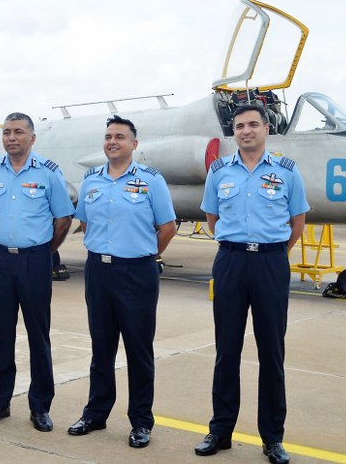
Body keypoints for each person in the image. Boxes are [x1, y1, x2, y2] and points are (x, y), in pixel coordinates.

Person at [195, 104, 308, 464]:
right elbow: (212, 218)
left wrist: (270, 251)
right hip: (230, 261)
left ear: (266, 129)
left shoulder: (287, 172)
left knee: (271, 352)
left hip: (271, 264)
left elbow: (297, 220)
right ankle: (221, 430)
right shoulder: (219, 172)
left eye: (253, 124)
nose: (246, 131)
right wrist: (239, 246)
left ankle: (272, 438)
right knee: (226, 350)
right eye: (240, 126)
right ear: (234, 133)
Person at [67, 115, 177, 448]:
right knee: (101, 348)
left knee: (138, 350)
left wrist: (143, 255)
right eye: (108, 136)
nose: (112, 141)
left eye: (120, 136)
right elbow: (84, 223)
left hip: (137, 274)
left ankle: (141, 421)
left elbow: (168, 227)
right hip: (99, 272)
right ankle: (95, 414)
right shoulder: (91, 180)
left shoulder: (151, 180)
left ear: (134, 144)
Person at [0, 112, 74, 432]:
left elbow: (63, 219)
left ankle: (40, 406)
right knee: (0, 333)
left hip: (34, 262)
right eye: (6, 132)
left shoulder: (48, 173)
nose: (11, 138)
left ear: (32, 138)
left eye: (18, 132)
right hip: (0, 260)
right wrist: (7, 243)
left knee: (37, 334)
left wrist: (43, 251)